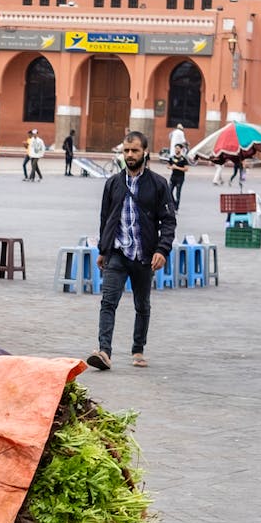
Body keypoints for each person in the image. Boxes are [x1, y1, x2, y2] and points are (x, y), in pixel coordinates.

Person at [87, 131, 175, 372]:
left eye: (134, 150)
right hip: (117, 254)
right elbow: (106, 219)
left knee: (142, 305)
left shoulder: (158, 184)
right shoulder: (113, 183)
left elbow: (168, 220)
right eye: (126, 150)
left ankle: (138, 349)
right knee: (108, 302)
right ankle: (104, 351)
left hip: (144, 256)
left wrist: (162, 250)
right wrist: (103, 250)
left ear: (145, 152)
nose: (129, 155)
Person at [168, 131, 189, 206]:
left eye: (177, 148)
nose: (176, 150)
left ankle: (176, 206)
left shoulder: (183, 159)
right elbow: (168, 166)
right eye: (175, 148)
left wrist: (176, 167)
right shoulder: (172, 158)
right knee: (169, 191)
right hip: (173, 177)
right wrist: (171, 167)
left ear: (180, 149)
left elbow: (186, 169)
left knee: (178, 193)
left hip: (180, 177)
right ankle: (173, 204)